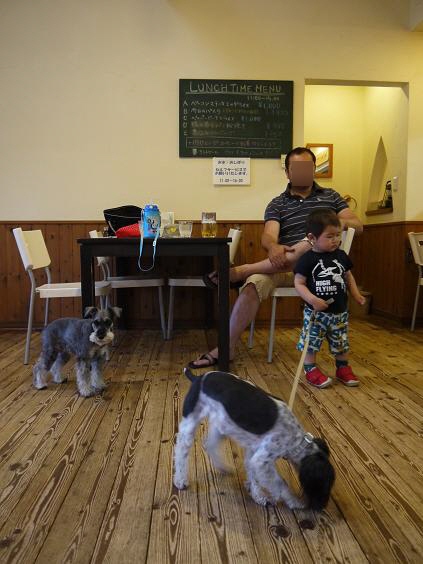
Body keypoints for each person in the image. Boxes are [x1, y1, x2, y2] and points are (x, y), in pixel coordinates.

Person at [189, 146, 363, 369]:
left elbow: (358, 225)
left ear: (314, 169)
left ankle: (244, 269)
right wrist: (273, 247)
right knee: (253, 284)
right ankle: (226, 347)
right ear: (288, 172)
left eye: (307, 167)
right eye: (296, 168)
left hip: (324, 272)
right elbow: (269, 236)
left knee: (309, 242)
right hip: (287, 270)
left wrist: (326, 226)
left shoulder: (331, 197)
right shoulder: (278, 203)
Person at [294, 208, 366, 388]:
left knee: (341, 342)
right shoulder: (307, 259)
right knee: (311, 342)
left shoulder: (341, 255)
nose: (335, 240)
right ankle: (310, 368)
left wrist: (356, 294)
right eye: (329, 236)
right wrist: (312, 300)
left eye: (338, 235)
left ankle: (342, 368)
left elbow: (348, 276)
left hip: (339, 312)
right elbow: (299, 283)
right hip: (316, 314)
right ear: (312, 237)